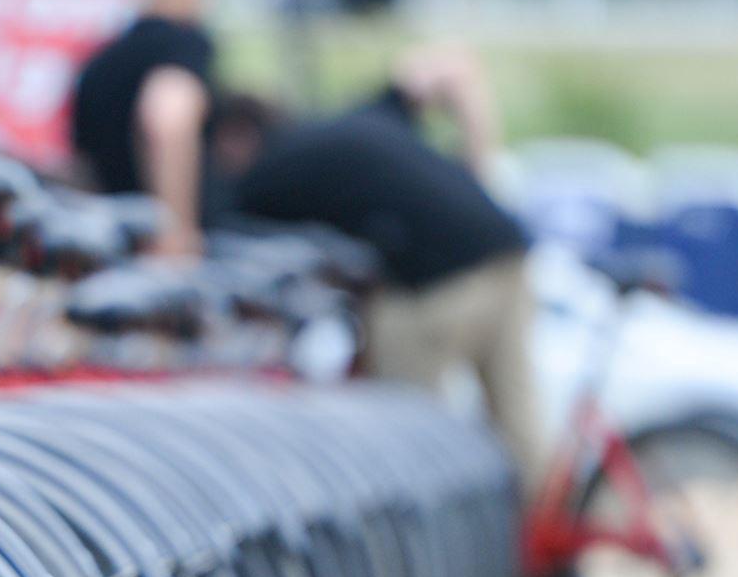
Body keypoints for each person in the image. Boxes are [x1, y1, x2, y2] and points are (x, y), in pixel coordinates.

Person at [212, 52, 543, 489]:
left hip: (441, 277)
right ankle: (542, 540)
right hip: (507, 250)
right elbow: (454, 67)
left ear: (235, 137)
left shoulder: (271, 170)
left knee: (400, 426)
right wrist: (481, 165)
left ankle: (422, 534)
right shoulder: (359, 119)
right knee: (519, 425)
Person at [69, 0, 218, 257]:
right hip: (153, 261)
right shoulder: (181, 44)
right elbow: (168, 120)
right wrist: (175, 236)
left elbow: (82, 169)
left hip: (108, 250)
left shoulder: (102, 61)